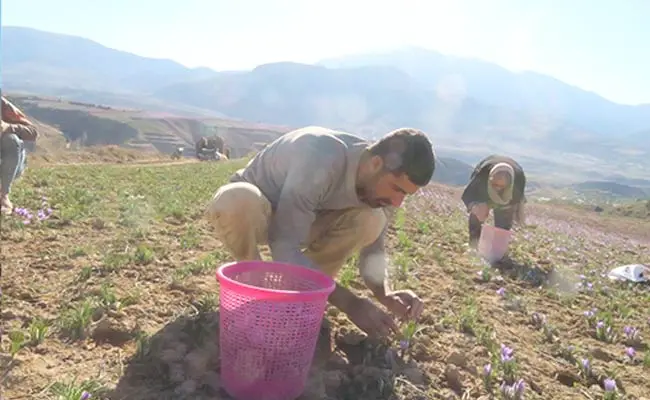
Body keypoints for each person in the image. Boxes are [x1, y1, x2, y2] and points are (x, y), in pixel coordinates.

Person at [206, 126, 436, 338]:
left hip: (305, 220)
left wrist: (385, 294)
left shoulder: (380, 191)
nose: (397, 202)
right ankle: (254, 289)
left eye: (405, 195)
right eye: (397, 188)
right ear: (375, 164)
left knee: (371, 220)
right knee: (235, 199)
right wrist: (350, 303)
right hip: (259, 213)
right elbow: (284, 243)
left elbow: (373, 250)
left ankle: (302, 300)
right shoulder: (321, 156)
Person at [461, 154, 527, 250]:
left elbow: (515, 202)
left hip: (508, 193)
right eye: (495, 185)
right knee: (477, 213)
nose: (498, 189)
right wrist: (475, 206)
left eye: (501, 187)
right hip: (484, 189)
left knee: (504, 220)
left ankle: (496, 250)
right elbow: (469, 194)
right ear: (490, 178)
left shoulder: (517, 181)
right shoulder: (482, 175)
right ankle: (473, 244)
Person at [1, 96, 38, 214]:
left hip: (8, 164)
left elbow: (33, 132)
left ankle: (3, 196)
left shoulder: (3, 105)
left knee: (11, 140)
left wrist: (8, 127)